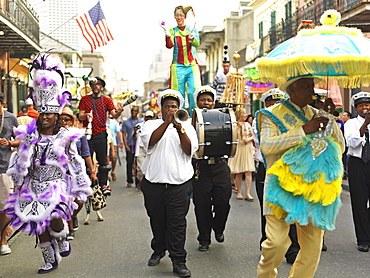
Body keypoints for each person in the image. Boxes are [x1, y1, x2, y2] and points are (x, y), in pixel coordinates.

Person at [3, 53, 92, 273]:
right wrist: (19, 174)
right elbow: (19, 160)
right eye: (42, 113)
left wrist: (81, 187)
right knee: (37, 224)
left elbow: (75, 162)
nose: (45, 117)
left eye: (50, 114)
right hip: (33, 185)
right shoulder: (30, 135)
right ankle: (50, 259)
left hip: (55, 185)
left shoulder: (64, 136)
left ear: (57, 116)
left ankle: (62, 239)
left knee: (53, 216)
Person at [256, 75, 345, 277]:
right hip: (279, 188)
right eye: (305, 86)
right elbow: (267, 146)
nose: (311, 90)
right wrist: (304, 130)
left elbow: (340, 147)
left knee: (313, 247)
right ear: (291, 91)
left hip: (312, 188)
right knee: (276, 243)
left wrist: (330, 117)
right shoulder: (270, 114)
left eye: (312, 86)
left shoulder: (318, 114)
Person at [140, 89, 198, 277]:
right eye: (167, 107)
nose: (171, 110)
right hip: (154, 184)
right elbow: (150, 142)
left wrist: (179, 127)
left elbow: (190, 150)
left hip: (179, 185)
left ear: (179, 108)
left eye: (174, 107)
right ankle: (158, 249)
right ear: (161, 108)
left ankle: (179, 261)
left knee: (177, 224)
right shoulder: (150, 125)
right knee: (157, 222)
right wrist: (167, 123)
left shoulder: (187, 126)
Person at [253, 88, 299, 264]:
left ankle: (293, 248)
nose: (276, 108)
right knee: (269, 212)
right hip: (267, 168)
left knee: (291, 209)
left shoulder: (290, 121)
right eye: (272, 104)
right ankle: (268, 245)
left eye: (279, 104)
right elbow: (267, 143)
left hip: (289, 169)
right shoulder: (261, 120)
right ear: (266, 105)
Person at [191, 85, 232, 252]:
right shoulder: (190, 121)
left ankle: (218, 227)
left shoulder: (222, 119)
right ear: (197, 103)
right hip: (201, 168)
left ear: (213, 103)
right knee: (201, 205)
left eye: (209, 100)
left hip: (220, 166)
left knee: (223, 202)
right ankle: (204, 239)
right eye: (202, 100)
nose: (206, 103)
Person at [78, 77, 123, 196]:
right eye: (93, 84)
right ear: (91, 87)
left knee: (103, 160)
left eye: (98, 84)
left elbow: (114, 114)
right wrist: (86, 116)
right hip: (87, 134)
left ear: (102, 87)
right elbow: (80, 115)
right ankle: (87, 183)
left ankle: (103, 184)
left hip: (101, 134)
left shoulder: (107, 100)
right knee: (85, 159)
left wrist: (119, 111)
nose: (96, 86)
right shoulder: (85, 99)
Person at [60, 107, 98, 240]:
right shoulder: (54, 135)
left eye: (67, 119)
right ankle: (69, 228)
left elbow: (86, 154)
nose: (64, 121)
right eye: (62, 118)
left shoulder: (79, 135)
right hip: (61, 173)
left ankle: (74, 215)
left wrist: (92, 171)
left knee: (80, 201)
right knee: (67, 200)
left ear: (72, 121)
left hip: (77, 172)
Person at [161, 5, 201, 112]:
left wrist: (192, 37)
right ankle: (179, 118)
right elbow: (170, 45)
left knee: (194, 91)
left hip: (192, 65)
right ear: (174, 17)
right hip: (177, 66)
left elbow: (197, 43)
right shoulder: (172, 31)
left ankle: (195, 116)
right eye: (177, 15)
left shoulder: (191, 29)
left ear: (185, 17)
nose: (179, 17)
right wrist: (167, 35)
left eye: (181, 15)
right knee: (178, 94)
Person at [344, 91, 370, 252]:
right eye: (361, 105)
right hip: (357, 164)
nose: (365, 108)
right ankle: (363, 239)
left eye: (367, 105)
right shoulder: (351, 124)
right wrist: (365, 124)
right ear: (356, 108)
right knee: (359, 202)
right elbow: (353, 142)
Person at [0, 92, 18, 255]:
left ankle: (3, 241)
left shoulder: (10, 118)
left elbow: (22, 139)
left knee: (4, 206)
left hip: (4, 168)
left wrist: (10, 142)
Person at [228, 108, 255, 200]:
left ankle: (248, 193)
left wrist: (249, 139)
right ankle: (239, 191)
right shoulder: (234, 125)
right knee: (238, 171)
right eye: (244, 113)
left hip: (247, 147)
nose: (246, 115)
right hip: (238, 147)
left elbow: (253, 135)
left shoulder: (247, 124)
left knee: (248, 171)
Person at [121, 106, 143, 188]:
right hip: (130, 145)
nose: (134, 112)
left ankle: (138, 182)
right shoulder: (126, 122)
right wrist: (125, 145)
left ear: (138, 112)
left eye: (135, 110)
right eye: (132, 110)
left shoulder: (141, 122)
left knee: (138, 163)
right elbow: (123, 134)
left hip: (138, 145)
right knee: (129, 163)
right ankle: (129, 181)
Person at [134, 110, 155, 189]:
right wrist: (134, 132)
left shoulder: (155, 126)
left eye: (150, 117)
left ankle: (146, 183)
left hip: (150, 148)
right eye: (147, 117)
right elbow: (134, 136)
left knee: (150, 167)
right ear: (144, 118)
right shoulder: (139, 125)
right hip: (140, 148)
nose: (149, 119)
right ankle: (141, 180)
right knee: (140, 168)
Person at [107, 115, 123, 181]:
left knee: (114, 158)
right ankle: (107, 173)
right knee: (105, 159)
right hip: (104, 143)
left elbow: (118, 132)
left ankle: (112, 171)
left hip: (113, 143)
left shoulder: (113, 122)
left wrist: (121, 142)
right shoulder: (100, 122)